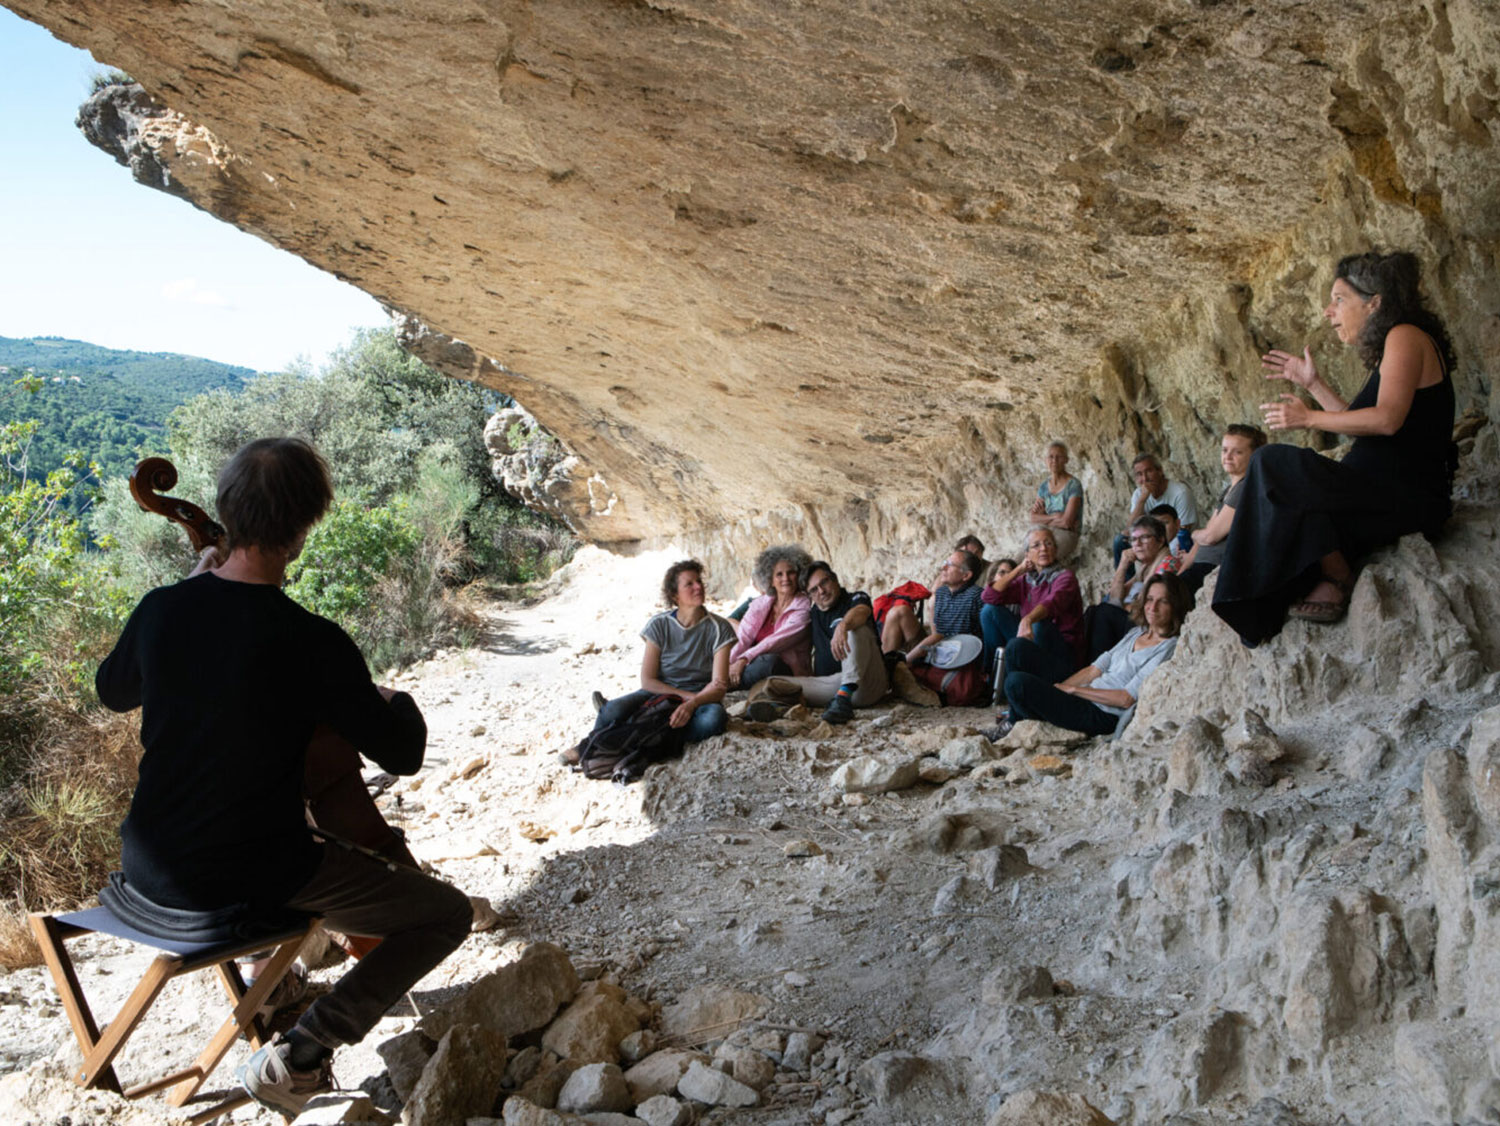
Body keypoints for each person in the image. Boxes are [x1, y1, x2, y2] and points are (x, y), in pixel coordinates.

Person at [95, 438, 472, 1117]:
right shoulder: (311, 640)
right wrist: (386, 696)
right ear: (302, 531)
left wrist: (187, 591)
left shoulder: (162, 609)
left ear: (226, 513)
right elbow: (404, 754)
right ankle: (299, 1053)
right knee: (445, 914)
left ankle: (275, 998)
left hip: (143, 874)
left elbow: (113, 691)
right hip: (241, 886)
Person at [1214, 251, 1457, 644]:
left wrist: (1308, 418)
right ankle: (1311, 583)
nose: (1329, 312)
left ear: (1374, 302)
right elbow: (1361, 427)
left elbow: (1386, 419)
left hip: (1407, 496)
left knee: (1272, 462)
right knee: (1288, 505)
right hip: (1375, 494)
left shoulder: (1405, 336)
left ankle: (1337, 575)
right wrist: (1313, 384)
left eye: (1339, 299)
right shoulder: (1391, 348)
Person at [991, 573, 1188, 740]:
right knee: (1016, 648)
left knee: (1016, 683)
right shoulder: (1136, 633)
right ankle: (1019, 717)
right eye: (1150, 599)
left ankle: (1016, 722)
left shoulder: (1168, 648)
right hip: (1084, 694)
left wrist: (1073, 690)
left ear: (1176, 606)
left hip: (1102, 713)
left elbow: (1126, 699)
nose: (1152, 608)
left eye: (1163, 601)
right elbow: (1095, 669)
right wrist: (1057, 691)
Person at [592, 559, 735, 744]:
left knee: (714, 719)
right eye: (689, 584)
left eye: (699, 581)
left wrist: (693, 703)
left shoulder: (720, 628)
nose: (698, 587)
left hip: (701, 698)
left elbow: (718, 686)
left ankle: (642, 734)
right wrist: (685, 698)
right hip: (660, 693)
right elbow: (648, 681)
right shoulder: (659, 624)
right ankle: (586, 747)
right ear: (674, 595)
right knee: (612, 710)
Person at [748, 561, 889, 725]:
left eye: (825, 582)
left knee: (855, 629)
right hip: (832, 685)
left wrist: (843, 625)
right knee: (771, 683)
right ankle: (763, 708)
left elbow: (861, 611)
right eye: (814, 590)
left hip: (867, 683)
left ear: (835, 579)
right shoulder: (812, 614)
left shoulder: (855, 598)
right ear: (810, 596)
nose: (821, 591)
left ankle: (843, 697)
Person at [979, 527, 1083, 683]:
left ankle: (1030, 684)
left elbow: (1052, 603)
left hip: (1059, 650)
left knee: (1039, 623)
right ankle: (991, 676)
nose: (1043, 549)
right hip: (1031, 640)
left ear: (1055, 549)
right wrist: (1019, 569)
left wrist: (1028, 619)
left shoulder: (1065, 577)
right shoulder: (1026, 579)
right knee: (989, 612)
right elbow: (989, 596)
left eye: (1049, 544)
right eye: (1036, 545)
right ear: (1027, 554)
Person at [1179, 424, 1267, 596]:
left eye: (1237, 452)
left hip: (1215, 569)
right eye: (1224, 450)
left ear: (1254, 456)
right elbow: (1204, 537)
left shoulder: (1245, 488)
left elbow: (1210, 536)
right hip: (1200, 565)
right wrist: (1181, 571)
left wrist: (1194, 533)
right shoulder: (1228, 491)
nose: (1228, 456)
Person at [1087, 514, 1177, 660]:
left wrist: (1125, 605)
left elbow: (1146, 605)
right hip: (1132, 619)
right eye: (1133, 539)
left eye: (1144, 538)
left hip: (1146, 625)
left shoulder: (1167, 563)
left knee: (1103, 613)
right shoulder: (1146, 566)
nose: (1137, 544)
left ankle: (1095, 666)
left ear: (1160, 540)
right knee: (1096, 611)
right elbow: (1114, 597)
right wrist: (1122, 565)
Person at [727, 545, 813, 690]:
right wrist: (728, 664)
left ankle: (725, 683)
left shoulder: (804, 607)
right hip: (752, 663)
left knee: (769, 662)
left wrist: (743, 659)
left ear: (799, 576)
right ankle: (723, 678)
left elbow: (775, 642)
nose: (786, 578)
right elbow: (743, 637)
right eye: (779, 574)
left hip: (785, 669)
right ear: (770, 580)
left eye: (791, 573)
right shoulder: (760, 603)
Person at [1112, 453, 1197, 564]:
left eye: (1149, 471)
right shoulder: (1139, 494)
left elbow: (1184, 530)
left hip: (1178, 543)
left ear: (1160, 471)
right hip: (1151, 543)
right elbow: (1130, 531)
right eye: (1139, 474)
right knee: (1120, 541)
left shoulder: (1180, 492)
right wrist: (1142, 500)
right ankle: (1131, 580)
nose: (1145, 478)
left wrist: (1157, 549)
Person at [1030, 441, 1084, 559]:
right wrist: (1055, 516)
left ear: (1066, 460)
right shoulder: (1044, 487)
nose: (1054, 460)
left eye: (1059, 457)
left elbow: (1066, 522)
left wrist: (1043, 519)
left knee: (1043, 558)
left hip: (1067, 533)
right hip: (1045, 531)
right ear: (1046, 460)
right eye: (1051, 456)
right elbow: (1033, 518)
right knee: (1022, 558)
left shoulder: (1073, 485)